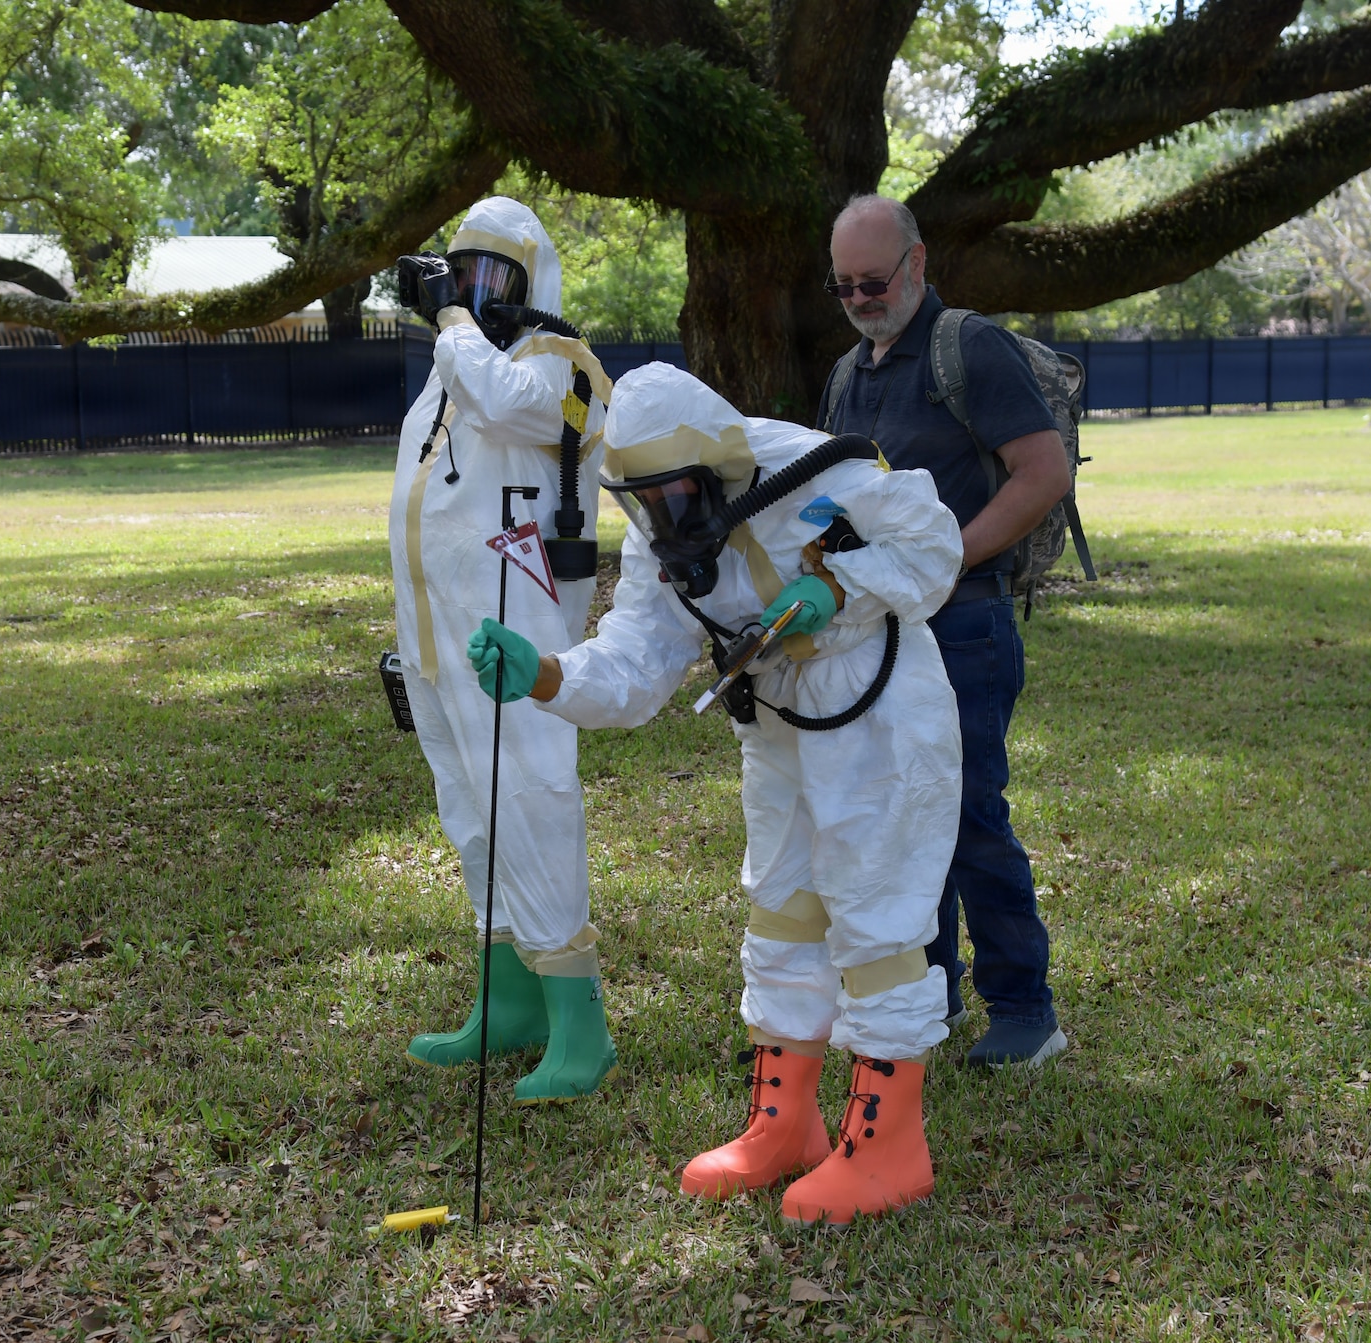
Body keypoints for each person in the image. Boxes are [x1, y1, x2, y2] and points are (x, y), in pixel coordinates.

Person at [467, 361, 964, 1226]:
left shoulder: (819, 468)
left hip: (878, 712)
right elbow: (633, 664)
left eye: (677, 494)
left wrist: (840, 586)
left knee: (876, 916)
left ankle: (890, 1146)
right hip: (776, 722)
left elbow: (935, 546)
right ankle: (786, 1121)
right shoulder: (659, 538)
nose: (662, 515)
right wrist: (546, 674)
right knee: (782, 905)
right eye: (644, 499)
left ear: (722, 465)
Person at [818, 193, 1072, 1069]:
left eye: (874, 280)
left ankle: (1024, 1012)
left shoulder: (971, 347)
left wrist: (945, 559)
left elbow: (1042, 471)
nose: (860, 298)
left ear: (918, 264)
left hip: (964, 623)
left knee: (966, 820)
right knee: (896, 822)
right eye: (844, 286)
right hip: (880, 634)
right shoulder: (849, 373)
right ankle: (929, 996)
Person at [387, 196, 618, 1105]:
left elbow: (512, 403)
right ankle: (511, 999)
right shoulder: (450, 375)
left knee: (532, 801)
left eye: (495, 277)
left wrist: (451, 318)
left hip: (514, 641)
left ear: (535, 282)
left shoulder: (564, 367)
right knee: (471, 814)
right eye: (461, 273)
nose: (476, 293)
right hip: (436, 640)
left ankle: (580, 1026)